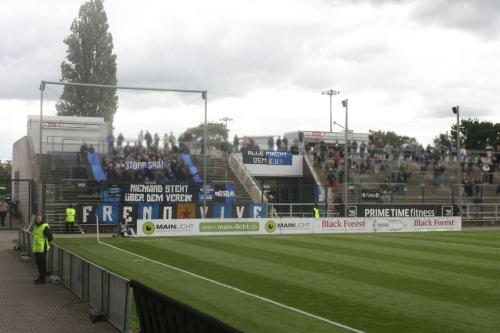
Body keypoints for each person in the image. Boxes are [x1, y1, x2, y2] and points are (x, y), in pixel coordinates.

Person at [32, 214, 53, 284]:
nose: (37, 220)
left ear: (41, 219)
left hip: (42, 249)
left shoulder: (44, 227)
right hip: (36, 249)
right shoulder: (35, 226)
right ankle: (42, 276)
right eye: (37, 219)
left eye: (39, 219)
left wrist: (45, 242)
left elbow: (50, 237)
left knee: (42, 264)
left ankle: (42, 279)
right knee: (38, 263)